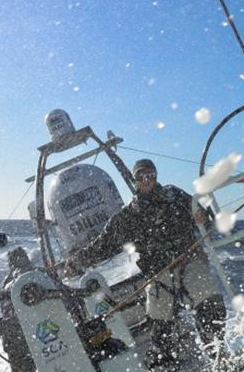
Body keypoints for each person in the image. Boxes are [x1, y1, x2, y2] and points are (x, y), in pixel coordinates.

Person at [65, 159, 226, 371]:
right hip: (158, 274)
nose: (147, 180)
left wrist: (203, 217)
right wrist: (77, 262)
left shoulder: (175, 196)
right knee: (160, 318)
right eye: (141, 177)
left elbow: (204, 216)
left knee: (209, 300)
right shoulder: (129, 216)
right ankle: (165, 363)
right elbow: (103, 244)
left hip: (189, 261)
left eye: (150, 175)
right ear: (135, 181)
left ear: (156, 175)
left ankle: (220, 358)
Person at [0, 247, 36, 372]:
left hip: (18, 335)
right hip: (44, 327)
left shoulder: (6, 285)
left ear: (10, 264)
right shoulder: (40, 273)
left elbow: (6, 312)